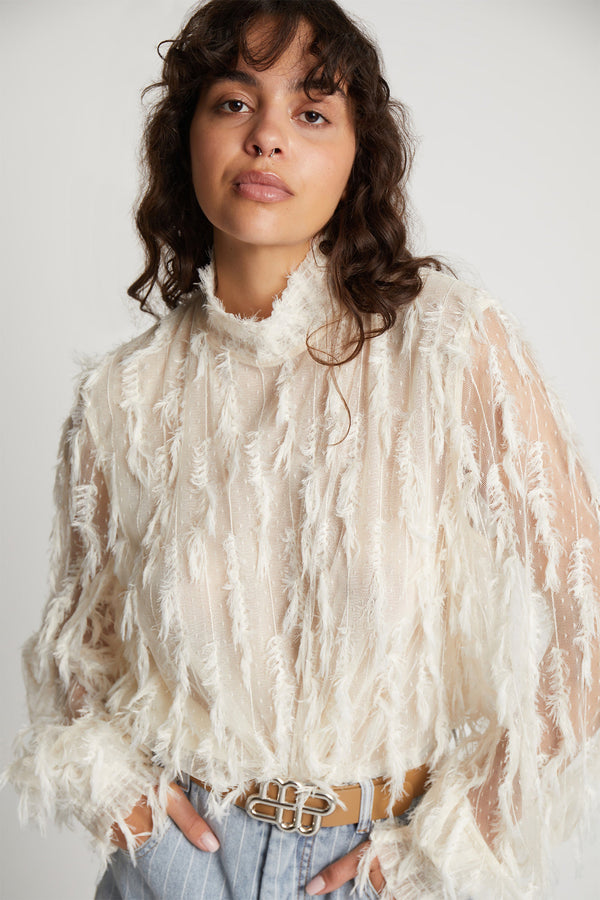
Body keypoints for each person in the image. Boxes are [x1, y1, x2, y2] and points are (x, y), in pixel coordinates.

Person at [4, 0, 600, 897]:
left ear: (358, 156)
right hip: (177, 861)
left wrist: (466, 829)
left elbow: (584, 605)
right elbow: (75, 650)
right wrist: (125, 803)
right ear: (186, 136)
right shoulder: (121, 397)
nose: (267, 136)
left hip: (377, 860)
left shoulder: (449, 345)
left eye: (312, 111)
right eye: (234, 103)